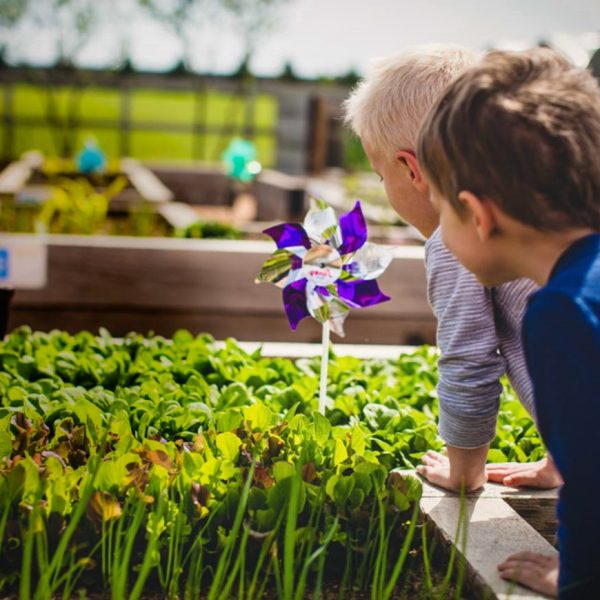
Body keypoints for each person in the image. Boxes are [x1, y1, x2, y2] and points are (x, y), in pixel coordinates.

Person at [417, 46, 600, 598]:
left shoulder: (563, 315)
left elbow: (594, 488)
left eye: (441, 211)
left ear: (478, 215)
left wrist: (577, 579)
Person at [344, 45, 562, 492]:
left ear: (410, 169)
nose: (385, 188)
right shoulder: (544, 206)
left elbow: (470, 360)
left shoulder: (457, 236)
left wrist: (465, 471)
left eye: (381, 176)